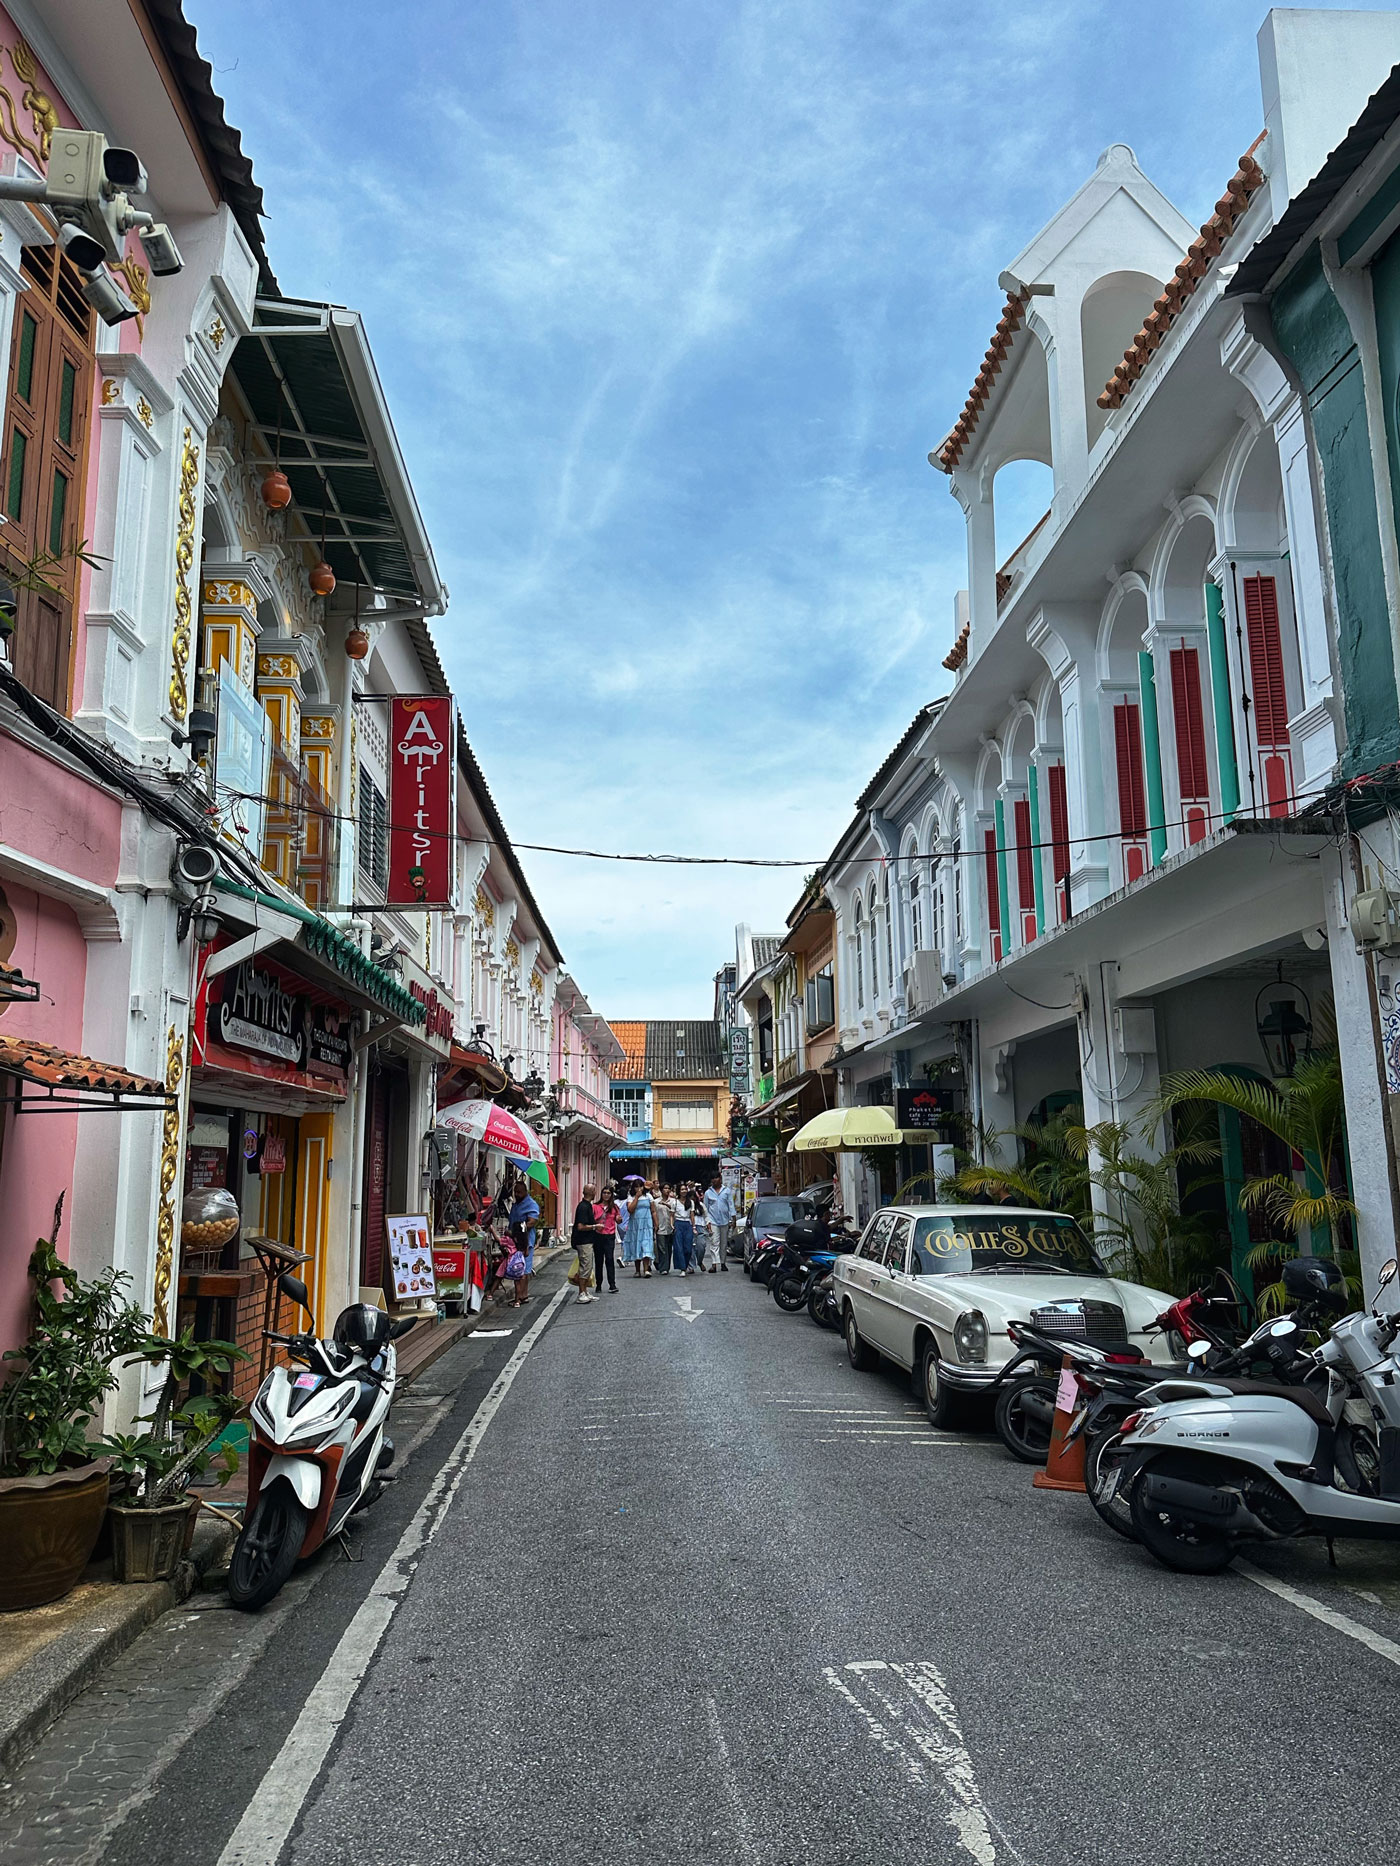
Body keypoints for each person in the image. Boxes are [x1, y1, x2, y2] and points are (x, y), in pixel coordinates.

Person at [508, 1180, 541, 1302]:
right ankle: (521, 1295)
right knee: (516, 1267)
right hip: (514, 1241)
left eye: (519, 1192)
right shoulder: (516, 1204)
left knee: (523, 1268)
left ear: (525, 1192)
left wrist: (519, 1229)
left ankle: (522, 1295)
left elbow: (532, 1221)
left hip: (525, 1241)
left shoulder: (531, 1204)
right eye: (515, 1192)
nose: (516, 1194)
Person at [571, 1185, 599, 1304]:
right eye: (594, 1191)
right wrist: (595, 1226)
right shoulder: (583, 1207)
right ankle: (581, 1293)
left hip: (587, 1241)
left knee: (588, 1266)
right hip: (583, 1241)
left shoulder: (587, 1205)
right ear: (592, 1192)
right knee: (585, 1266)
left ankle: (585, 1292)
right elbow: (580, 1226)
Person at [703, 1174, 735, 1273]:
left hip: (725, 1220)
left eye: (716, 1178)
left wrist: (733, 1218)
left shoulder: (727, 1191)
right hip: (713, 1221)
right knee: (714, 1242)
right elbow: (705, 1208)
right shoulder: (708, 1193)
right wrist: (707, 1221)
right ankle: (714, 1264)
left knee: (724, 1243)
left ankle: (723, 1262)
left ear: (720, 1179)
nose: (714, 1180)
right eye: (712, 1178)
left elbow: (731, 1205)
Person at [624, 1180, 654, 1277]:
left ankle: (646, 1270)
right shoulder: (631, 1197)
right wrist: (636, 1197)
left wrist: (656, 1223)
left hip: (646, 1224)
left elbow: (653, 1211)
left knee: (646, 1245)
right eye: (636, 1187)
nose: (639, 1189)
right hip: (635, 1225)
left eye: (640, 1186)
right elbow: (630, 1209)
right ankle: (637, 1270)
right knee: (636, 1244)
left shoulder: (648, 1196)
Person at [593, 1186, 620, 1294]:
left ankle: (612, 1284)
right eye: (604, 1193)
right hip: (598, 1235)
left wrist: (619, 1219)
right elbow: (592, 1219)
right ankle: (598, 1284)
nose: (606, 1195)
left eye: (608, 1193)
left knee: (609, 1259)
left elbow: (618, 1220)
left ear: (611, 1195)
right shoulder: (595, 1206)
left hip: (609, 1235)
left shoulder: (614, 1207)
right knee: (598, 1260)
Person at [653, 1180, 676, 1274]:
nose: (667, 1190)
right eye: (665, 1188)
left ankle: (666, 1266)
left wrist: (666, 1204)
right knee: (661, 1248)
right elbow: (654, 1213)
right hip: (660, 1227)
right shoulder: (656, 1202)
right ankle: (663, 1268)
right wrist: (655, 1225)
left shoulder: (673, 1201)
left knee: (669, 1248)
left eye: (668, 1188)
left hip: (670, 1227)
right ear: (661, 1190)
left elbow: (675, 1211)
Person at [672, 1190, 696, 1275]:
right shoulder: (675, 1202)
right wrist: (672, 1225)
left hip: (688, 1224)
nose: (684, 1191)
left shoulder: (691, 1202)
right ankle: (682, 1268)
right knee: (679, 1247)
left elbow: (692, 1215)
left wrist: (694, 1227)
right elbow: (672, 1215)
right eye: (681, 1189)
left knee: (688, 1248)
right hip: (678, 1223)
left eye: (685, 1189)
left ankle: (685, 1265)